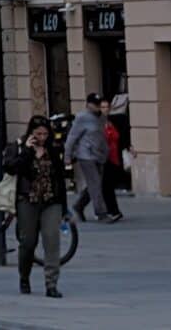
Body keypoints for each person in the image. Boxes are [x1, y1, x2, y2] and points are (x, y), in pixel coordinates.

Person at [11, 115, 69, 298]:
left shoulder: (53, 149)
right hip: (28, 199)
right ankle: (24, 277)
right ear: (31, 133)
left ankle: (51, 283)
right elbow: (12, 169)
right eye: (38, 134)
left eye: (45, 133)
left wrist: (64, 208)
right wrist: (28, 152)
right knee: (28, 242)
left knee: (52, 241)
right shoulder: (21, 146)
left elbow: (60, 178)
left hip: (51, 201)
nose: (42, 137)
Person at [64, 92, 114, 223]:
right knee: (95, 183)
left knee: (95, 184)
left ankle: (79, 205)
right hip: (86, 155)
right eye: (95, 104)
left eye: (99, 104)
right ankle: (101, 213)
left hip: (99, 155)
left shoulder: (102, 118)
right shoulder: (82, 118)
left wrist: (106, 151)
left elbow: (102, 136)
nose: (98, 107)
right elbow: (72, 137)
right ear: (88, 105)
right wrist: (67, 156)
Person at [100, 98, 125, 220]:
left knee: (103, 185)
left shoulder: (112, 121)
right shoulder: (96, 123)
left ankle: (80, 204)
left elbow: (119, 137)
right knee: (106, 186)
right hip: (102, 158)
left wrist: (129, 148)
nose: (105, 110)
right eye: (102, 107)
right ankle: (113, 210)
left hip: (113, 157)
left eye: (107, 107)